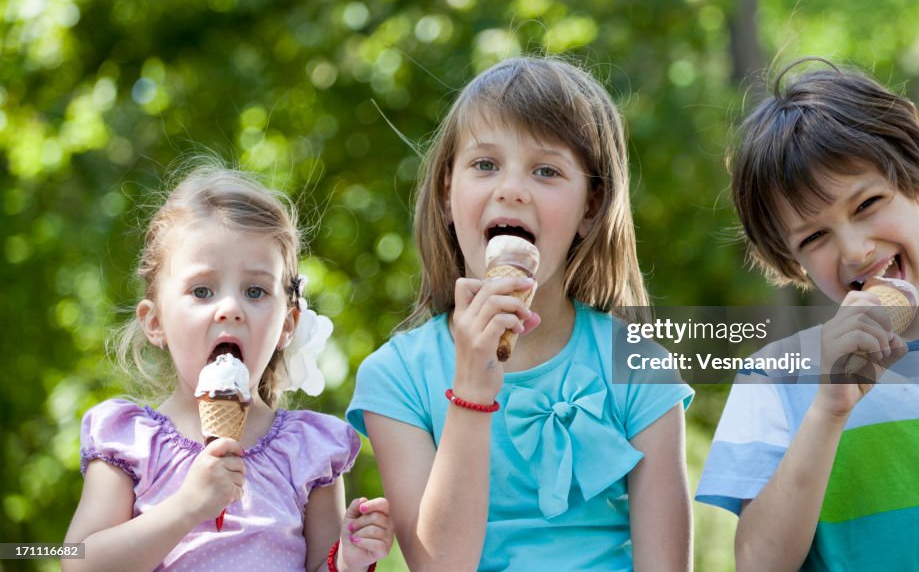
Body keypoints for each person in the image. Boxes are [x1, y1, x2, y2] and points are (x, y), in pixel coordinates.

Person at [346, 57, 694, 571]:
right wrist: (471, 391)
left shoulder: (638, 363)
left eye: (546, 170)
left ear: (591, 208)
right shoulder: (396, 378)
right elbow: (440, 567)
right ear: (447, 191)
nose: (511, 188)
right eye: (485, 165)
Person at [695, 58, 919, 570]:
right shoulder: (776, 380)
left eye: (867, 203)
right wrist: (828, 407)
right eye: (814, 237)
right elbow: (758, 562)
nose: (854, 249)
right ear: (792, 261)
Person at [64, 165, 393, 572]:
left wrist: (349, 560)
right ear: (155, 322)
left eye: (255, 291)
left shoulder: (309, 452)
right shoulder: (130, 442)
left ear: (287, 324)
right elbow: (78, 562)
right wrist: (187, 507)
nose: (231, 309)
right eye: (202, 290)